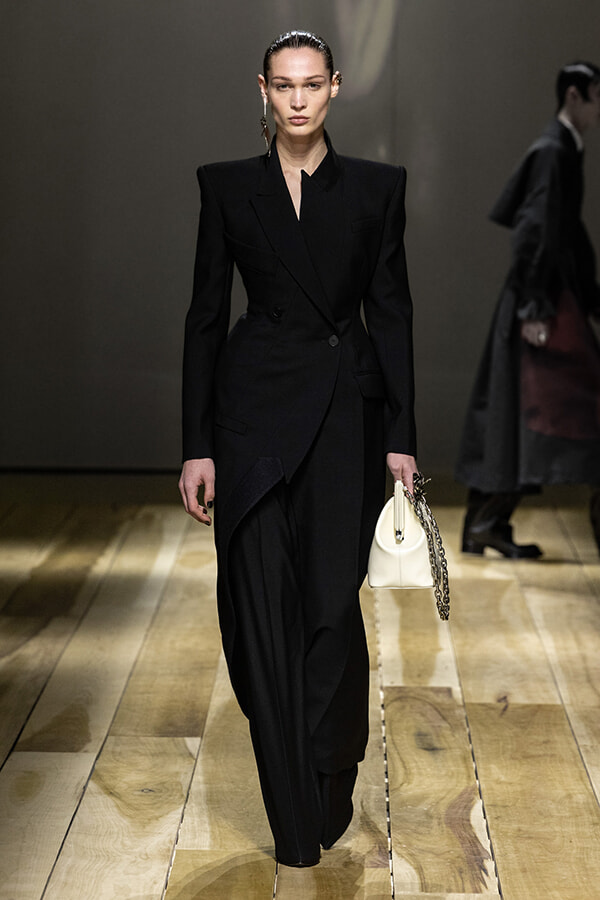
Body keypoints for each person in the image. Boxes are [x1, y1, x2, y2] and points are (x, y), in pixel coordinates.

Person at [178, 31, 418, 867]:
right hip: (250, 418)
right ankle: (292, 808)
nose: (298, 100)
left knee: (327, 607)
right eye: (284, 86)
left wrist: (402, 438)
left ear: (335, 88)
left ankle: (329, 765)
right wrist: (197, 444)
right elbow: (207, 316)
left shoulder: (377, 188)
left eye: (312, 84)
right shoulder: (227, 187)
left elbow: (392, 312)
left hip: (346, 415)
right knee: (255, 612)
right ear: (264, 90)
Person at [456, 61, 600, 558]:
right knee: (522, 407)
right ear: (575, 95)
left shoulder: (561, 149)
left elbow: (559, 232)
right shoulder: (554, 150)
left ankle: (485, 523)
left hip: (543, 298)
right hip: (539, 303)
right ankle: (485, 522)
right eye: (597, 95)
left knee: (514, 407)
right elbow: (535, 228)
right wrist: (536, 307)